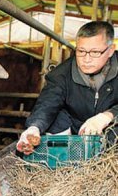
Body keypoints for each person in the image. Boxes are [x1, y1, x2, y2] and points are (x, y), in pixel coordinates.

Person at [17, 21, 118, 154]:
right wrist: (34, 127)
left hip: (111, 131)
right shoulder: (61, 74)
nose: (86, 59)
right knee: (56, 117)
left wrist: (107, 116)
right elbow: (48, 103)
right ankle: (65, 158)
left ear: (110, 50)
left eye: (95, 52)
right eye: (81, 51)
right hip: (76, 132)